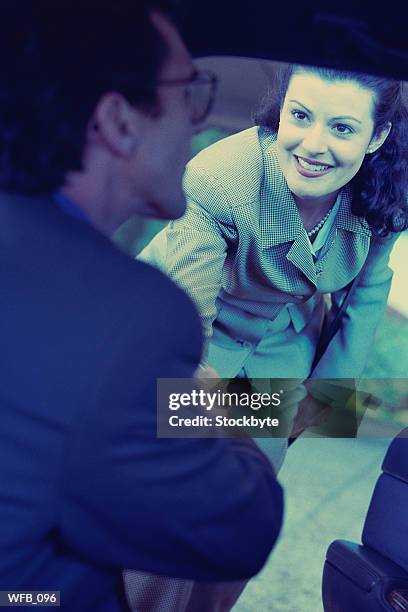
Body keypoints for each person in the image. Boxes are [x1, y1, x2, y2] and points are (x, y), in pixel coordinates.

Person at [0, 2, 285, 610]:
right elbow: (239, 531)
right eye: (190, 95)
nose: (199, 127)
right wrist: (219, 405)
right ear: (118, 122)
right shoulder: (133, 319)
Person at [140, 63, 408, 442]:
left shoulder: (386, 192)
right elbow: (188, 323)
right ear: (282, 110)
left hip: (286, 335)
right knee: (181, 445)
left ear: (377, 137)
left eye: (342, 128)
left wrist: (328, 393)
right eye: (300, 116)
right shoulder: (219, 179)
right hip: (194, 323)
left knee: (262, 461)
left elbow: (365, 294)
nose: (313, 145)